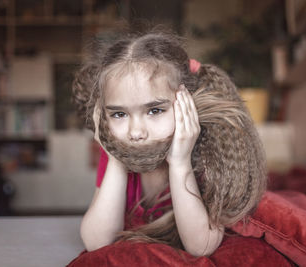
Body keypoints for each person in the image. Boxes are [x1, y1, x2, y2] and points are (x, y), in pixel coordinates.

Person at [72, 30, 267, 257]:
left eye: (155, 110)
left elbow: (201, 246)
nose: (136, 132)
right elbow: (97, 242)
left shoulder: (206, 153)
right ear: (102, 117)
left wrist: (180, 163)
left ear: (187, 105)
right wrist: (115, 157)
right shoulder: (117, 147)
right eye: (118, 114)